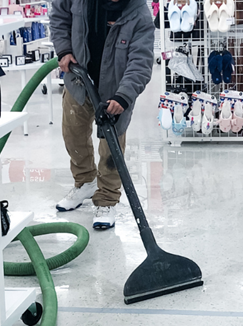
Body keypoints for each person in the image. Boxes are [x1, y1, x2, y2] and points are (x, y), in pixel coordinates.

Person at [50, 0, 155, 230]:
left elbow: (141, 61)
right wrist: (65, 50)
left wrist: (123, 96)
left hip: (114, 91)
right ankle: (85, 181)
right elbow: (59, 16)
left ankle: (107, 199)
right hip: (79, 81)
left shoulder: (139, 13)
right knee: (73, 135)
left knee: (111, 149)